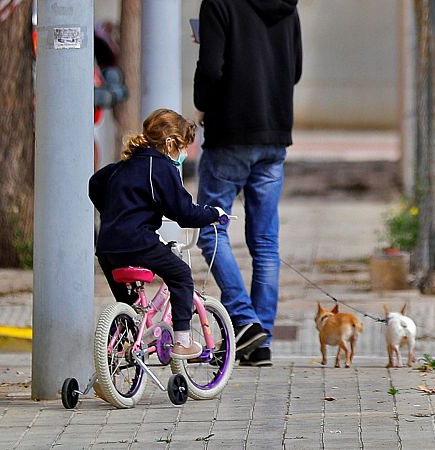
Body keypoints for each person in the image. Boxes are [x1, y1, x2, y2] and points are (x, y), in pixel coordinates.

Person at [193, 0, 302, 367]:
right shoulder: (288, 5)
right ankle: (261, 343)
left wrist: (202, 103)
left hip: (229, 134)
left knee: (210, 232)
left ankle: (244, 320)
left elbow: (210, 68)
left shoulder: (219, 4)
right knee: (265, 242)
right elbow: (296, 70)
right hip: (275, 133)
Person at [89, 108, 225, 360]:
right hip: (138, 242)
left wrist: (114, 211)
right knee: (181, 275)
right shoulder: (161, 167)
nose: (183, 154)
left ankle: (123, 351)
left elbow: (95, 183)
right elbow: (184, 212)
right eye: (183, 147)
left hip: (108, 246)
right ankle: (183, 341)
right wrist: (214, 214)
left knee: (130, 306)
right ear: (171, 142)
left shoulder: (123, 166)